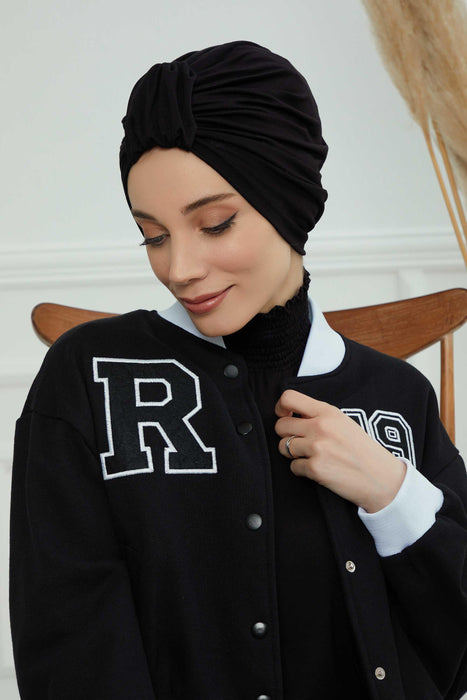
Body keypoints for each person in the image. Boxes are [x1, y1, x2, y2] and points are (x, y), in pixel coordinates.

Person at [9, 39, 467, 700]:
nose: (179, 269)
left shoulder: (395, 396)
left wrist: (391, 492)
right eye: (153, 235)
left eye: (216, 224)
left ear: (288, 203)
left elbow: (454, 657)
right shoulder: (90, 377)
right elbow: (69, 644)